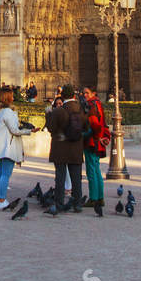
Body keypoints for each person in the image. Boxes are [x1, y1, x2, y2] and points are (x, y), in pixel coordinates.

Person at [0, 88, 37, 209]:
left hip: (0, 145)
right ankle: (1, 200)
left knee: (0, 174)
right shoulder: (7, 112)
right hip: (8, 146)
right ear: (7, 98)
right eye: (11, 96)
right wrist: (30, 131)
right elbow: (15, 130)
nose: (13, 98)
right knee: (5, 174)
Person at [44, 83, 87, 214]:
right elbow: (86, 127)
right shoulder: (81, 109)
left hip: (60, 148)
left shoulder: (59, 111)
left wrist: (48, 115)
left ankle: (59, 203)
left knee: (60, 177)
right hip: (76, 147)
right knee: (76, 178)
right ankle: (77, 203)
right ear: (74, 95)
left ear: (62, 96)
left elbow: (50, 128)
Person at [81, 85, 109, 216]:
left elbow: (95, 124)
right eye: (83, 93)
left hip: (92, 142)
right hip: (98, 141)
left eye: (87, 93)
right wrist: (103, 136)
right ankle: (100, 197)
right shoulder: (98, 103)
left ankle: (93, 198)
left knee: (91, 171)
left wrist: (97, 136)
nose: (84, 95)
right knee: (96, 170)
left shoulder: (91, 105)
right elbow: (102, 123)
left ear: (93, 93)